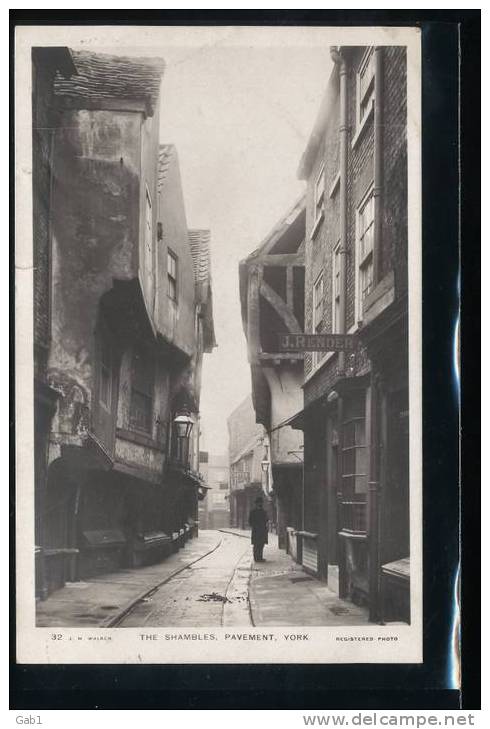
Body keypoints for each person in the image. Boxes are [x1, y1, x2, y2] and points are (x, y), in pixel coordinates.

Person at [248, 496, 268, 562]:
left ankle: (260, 557)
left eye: (261, 503)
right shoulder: (253, 512)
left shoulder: (264, 512)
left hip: (262, 530)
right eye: (258, 503)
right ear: (256, 504)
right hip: (256, 531)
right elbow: (250, 521)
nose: (260, 504)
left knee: (261, 545)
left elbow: (266, 520)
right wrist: (255, 526)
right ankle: (256, 558)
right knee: (256, 545)